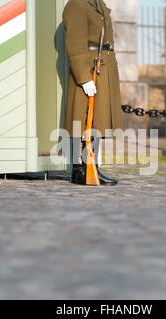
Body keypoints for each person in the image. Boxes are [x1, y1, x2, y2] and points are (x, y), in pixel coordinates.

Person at [63, 0, 122, 186]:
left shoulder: (98, 4)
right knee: (80, 120)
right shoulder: (78, 4)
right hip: (88, 69)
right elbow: (74, 43)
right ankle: (80, 170)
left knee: (96, 120)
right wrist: (83, 77)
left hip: (102, 67)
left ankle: (92, 167)